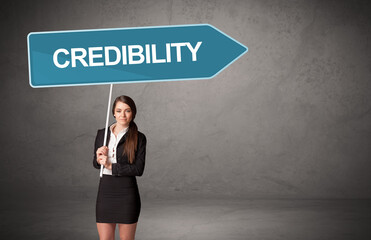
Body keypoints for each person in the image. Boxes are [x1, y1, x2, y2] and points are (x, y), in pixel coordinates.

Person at [93, 95, 147, 240]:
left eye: (127, 111)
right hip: (105, 191)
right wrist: (99, 158)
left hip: (127, 193)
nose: (122, 115)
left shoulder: (139, 138)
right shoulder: (102, 134)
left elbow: (138, 169)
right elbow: (96, 163)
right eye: (119, 110)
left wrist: (111, 165)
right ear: (113, 113)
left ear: (133, 113)